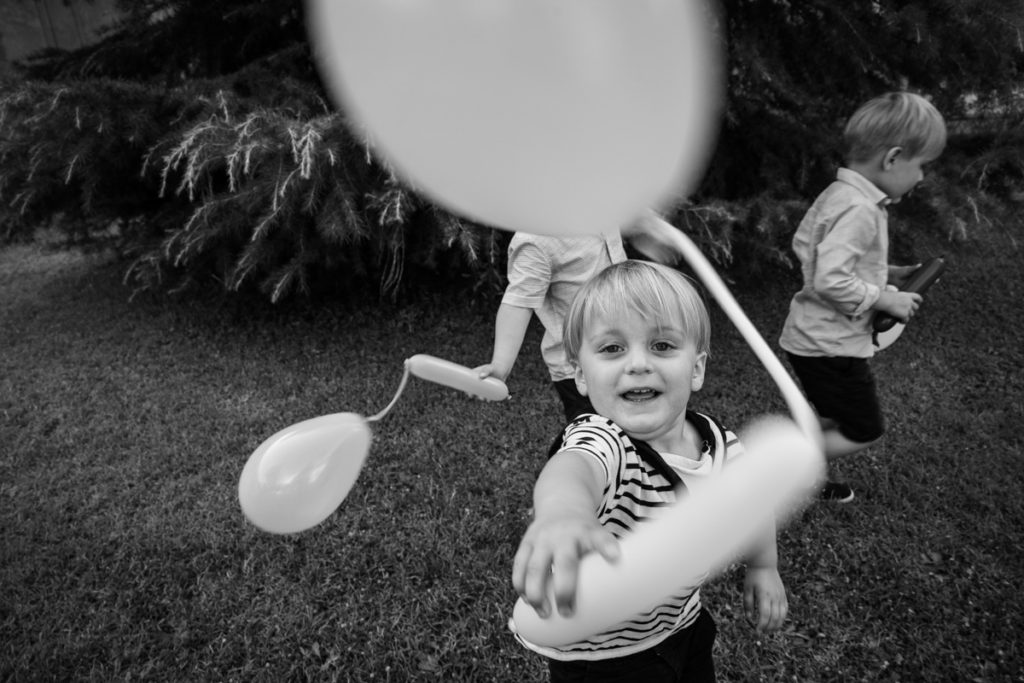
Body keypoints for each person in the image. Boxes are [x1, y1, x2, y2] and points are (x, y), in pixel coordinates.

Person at [511, 260, 788, 682]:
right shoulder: (607, 441)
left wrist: (763, 565)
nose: (638, 363)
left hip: (681, 623)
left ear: (695, 368)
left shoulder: (720, 443)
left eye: (661, 346)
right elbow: (574, 470)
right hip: (600, 654)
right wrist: (564, 513)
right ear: (581, 375)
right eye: (612, 349)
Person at [779, 91, 947, 503]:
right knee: (863, 427)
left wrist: (889, 275)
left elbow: (822, 256)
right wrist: (884, 300)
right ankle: (784, 470)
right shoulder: (860, 209)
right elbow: (830, 280)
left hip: (815, 339)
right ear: (892, 159)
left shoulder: (840, 195)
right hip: (829, 347)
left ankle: (798, 469)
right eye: (921, 165)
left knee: (831, 417)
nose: (922, 178)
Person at [475, 211, 685, 423]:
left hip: (624, 346)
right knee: (595, 438)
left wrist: (647, 234)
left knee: (637, 426)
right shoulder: (535, 239)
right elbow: (519, 303)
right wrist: (500, 365)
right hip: (581, 368)